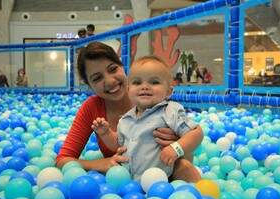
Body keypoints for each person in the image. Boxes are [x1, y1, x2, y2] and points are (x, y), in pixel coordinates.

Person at [56, 42, 201, 182]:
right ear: (89, 86)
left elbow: (193, 137)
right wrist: (101, 162)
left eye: (113, 69)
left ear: (122, 66)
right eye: (97, 78)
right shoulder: (122, 117)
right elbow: (63, 159)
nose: (110, 80)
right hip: (127, 181)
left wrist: (177, 145)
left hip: (165, 176)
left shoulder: (162, 104)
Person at [92, 55, 204, 181]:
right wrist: (106, 133)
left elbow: (196, 133)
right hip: (131, 182)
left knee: (185, 167)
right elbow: (117, 144)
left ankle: (201, 193)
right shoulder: (125, 119)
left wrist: (176, 148)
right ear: (128, 90)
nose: (144, 86)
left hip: (165, 179)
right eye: (137, 82)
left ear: (168, 91)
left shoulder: (169, 111)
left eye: (154, 82)